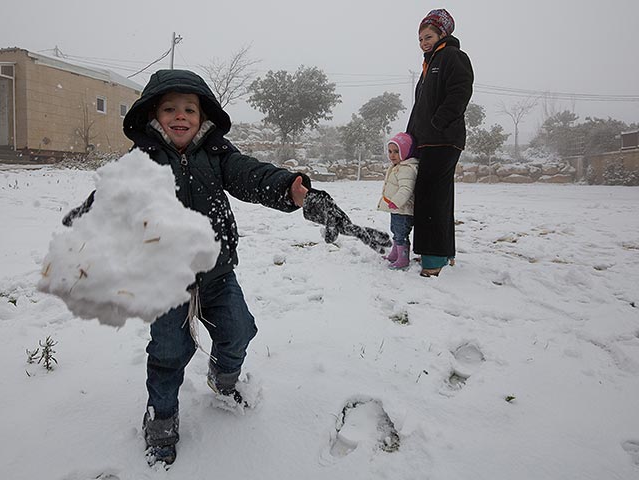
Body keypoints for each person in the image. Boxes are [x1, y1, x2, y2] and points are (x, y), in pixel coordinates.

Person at [62, 69, 390, 468]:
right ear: (152, 115)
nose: (180, 116)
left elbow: (254, 176)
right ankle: (161, 418)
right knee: (168, 354)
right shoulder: (141, 163)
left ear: (204, 117)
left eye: (189, 109)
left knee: (239, 331)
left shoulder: (217, 156)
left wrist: (295, 191)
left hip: (216, 275)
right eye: (170, 109)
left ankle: (224, 378)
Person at [406, 8, 473, 277]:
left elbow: (460, 91)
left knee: (429, 194)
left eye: (429, 36)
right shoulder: (428, 66)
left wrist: (438, 122)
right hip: (427, 141)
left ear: (443, 33)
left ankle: (432, 260)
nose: (424, 42)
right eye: (420, 38)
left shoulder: (452, 57)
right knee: (439, 194)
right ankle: (445, 252)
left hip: (443, 139)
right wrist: (410, 137)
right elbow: (419, 107)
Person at [377, 132, 419, 269]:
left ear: (406, 152)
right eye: (390, 151)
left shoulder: (407, 169)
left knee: (401, 233)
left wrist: (396, 201)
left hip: (403, 208)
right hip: (396, 208)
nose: (392, 155)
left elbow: (406, 189)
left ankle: (403, 259)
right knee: (395, 230)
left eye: (396, 151)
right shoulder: (398, 167)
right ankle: (395, 254)